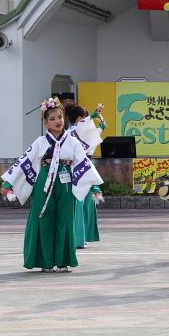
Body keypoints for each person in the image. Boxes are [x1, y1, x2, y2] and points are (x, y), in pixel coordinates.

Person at [1, 97, 103, 272]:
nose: (57, 121)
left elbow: (84, 163)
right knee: (43, 219)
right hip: (44, 181)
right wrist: (8, 182)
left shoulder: (72, 141)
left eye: (60, 117)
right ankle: (45, 261)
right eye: (52, 119)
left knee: (65, 220)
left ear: (64, 118)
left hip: (65, 180)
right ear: (46, 123)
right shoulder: (40, 142)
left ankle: (63, 261)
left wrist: (94, 186)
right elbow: (24, 162)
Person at [67, 104, 105, 248]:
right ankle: (78, 239)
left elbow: (91, 139)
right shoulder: (73, 131)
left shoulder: (78, 131)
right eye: (85, 117)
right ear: (79, 118)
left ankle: (85, 236)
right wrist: (94, 116)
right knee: (80, 203)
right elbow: (83, 127)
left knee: (88, 203)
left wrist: (101, 128)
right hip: (78, 167)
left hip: (87, 165)